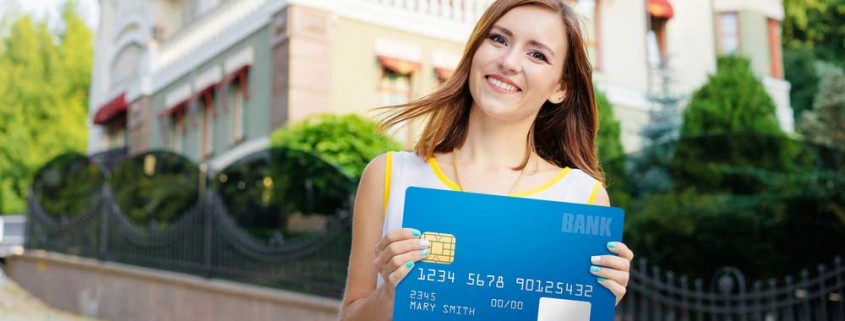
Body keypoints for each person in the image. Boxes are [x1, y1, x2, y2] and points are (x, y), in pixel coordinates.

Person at [339, 0, 634, 319]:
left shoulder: (582, 198)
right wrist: (390, 294)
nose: (509, 61)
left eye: (537, 54)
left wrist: (596, 303)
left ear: (560, 87)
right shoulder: (389, 174)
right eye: (499, 39)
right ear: (475, 50)